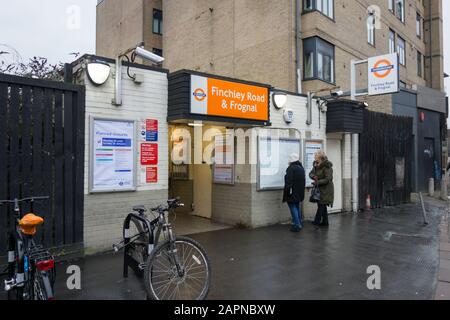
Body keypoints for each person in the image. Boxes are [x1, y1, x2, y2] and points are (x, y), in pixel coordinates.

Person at [309, 150, 334, 228]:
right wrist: (313, 176)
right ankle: (325, 222)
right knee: (322, 205)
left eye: (315, 156)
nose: (314, 157)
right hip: (319, 189)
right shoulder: (316, 165)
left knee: (321, 205)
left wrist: (317, 182)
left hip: (326, 189)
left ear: (320, 157)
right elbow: (310, 173)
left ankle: (316, 222)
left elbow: (328, 179)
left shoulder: (327, 166)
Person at [283, 153, 306, 232]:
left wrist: (287, 193)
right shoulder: (301, 168)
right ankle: (298, 222)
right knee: (296, 206)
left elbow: (288, 182)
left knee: (292, 206)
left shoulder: (291, 168)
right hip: (299, 192)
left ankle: (297, 225)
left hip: (292, 192)